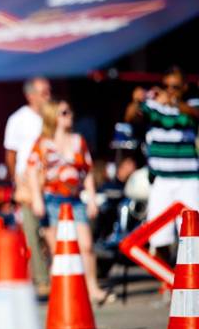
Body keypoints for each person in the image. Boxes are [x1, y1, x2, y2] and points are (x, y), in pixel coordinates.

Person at [27, 100, 108, 303]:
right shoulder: (43, 143)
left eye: (70, 111)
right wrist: (37, 199)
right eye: (64, 112)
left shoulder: (78, 141)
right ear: (54, 116)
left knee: (86, 246)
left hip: (74, 199)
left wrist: (91, 200)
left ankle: (92, 288)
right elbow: (31, 170)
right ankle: (64, 294)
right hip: (52, 200)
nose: (69, 115)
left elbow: (87, 171)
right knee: (58, 251)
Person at [125, 66, 199, 257]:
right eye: (166, 86)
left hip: (188, 180)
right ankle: (166, 280)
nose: (169, 90)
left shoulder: (192, 104)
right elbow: (130, 116)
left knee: (191, 233)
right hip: (161, 180)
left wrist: (173, 102)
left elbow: (193, 114)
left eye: (174, 86)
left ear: (184, 87)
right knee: (159, 235)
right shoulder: (154, 106)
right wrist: (136, 99)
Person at [4, 76, 52, 293]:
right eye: (43, 92)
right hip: (28, 180)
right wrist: (16, 181)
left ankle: (60, 274)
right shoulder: (18, 119)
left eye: (48, 91)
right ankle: (42, 279)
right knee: (32, 231)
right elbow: (11, 154)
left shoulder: (53, 116)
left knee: (56, 230)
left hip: (52, 179)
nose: (47, 96)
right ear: (30, 95)